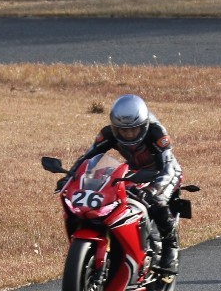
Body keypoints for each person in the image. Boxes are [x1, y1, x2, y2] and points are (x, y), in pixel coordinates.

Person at [61, 94, 184, 272]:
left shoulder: (157, 132)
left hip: (164, 172)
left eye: (134, 130)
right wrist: (70, 178)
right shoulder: (108, 133)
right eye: (123, 130)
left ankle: (171, 247)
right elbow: (87, 158)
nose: (128, 134)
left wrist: (153, 189)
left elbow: (168, 166)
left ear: (144, 125)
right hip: (135, 171)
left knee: (157, 200)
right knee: (114, 195)